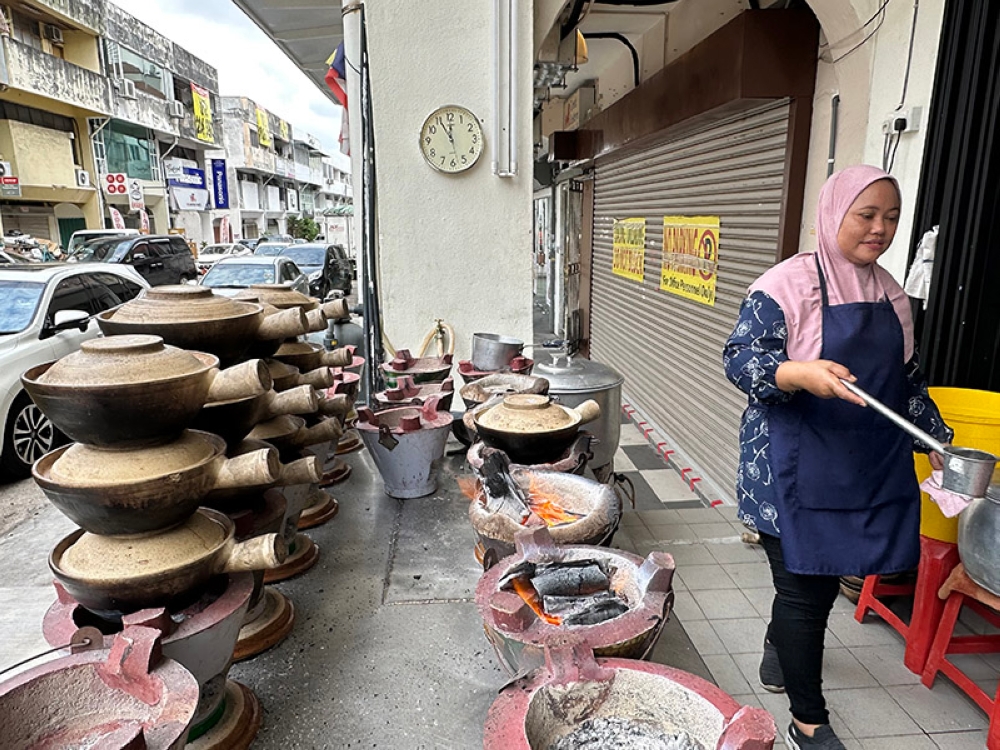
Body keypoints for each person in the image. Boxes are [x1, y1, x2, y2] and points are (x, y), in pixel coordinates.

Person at [722, 165, 953, 750]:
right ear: (834, 214)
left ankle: (780, 646)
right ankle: (808, 721)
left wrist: (943, 444)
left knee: (815, 584)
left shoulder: (892, 295)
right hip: (788, 464)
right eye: (867, 215)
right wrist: (798, 373)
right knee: (806, 588)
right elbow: (740, 361)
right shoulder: (785, 285)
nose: (880, 229)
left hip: (858, 465)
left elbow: (906, 384)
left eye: (892, 217)